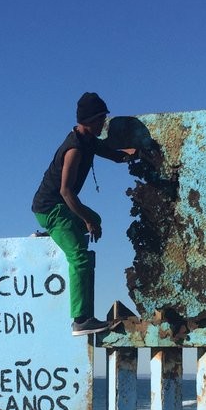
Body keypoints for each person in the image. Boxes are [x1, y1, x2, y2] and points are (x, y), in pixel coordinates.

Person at [32, 92, 136, 335]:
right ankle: (81, 320)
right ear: (89, 121)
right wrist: (87, 220)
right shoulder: (75, 148)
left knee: (95, 220)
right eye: (101, 119)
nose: (104, 124)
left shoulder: (88, 140)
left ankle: (57, 234)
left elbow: (115, 155)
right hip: (51, 208)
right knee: (80, 257)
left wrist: (141, 153)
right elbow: (66, 192)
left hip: (61, 207)